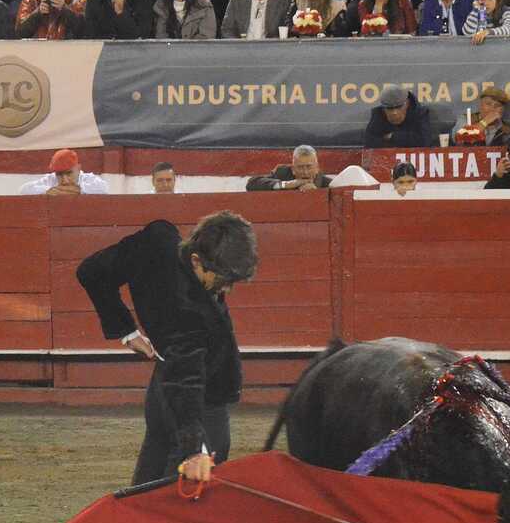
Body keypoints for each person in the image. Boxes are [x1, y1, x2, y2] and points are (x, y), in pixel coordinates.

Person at [77, 211, 258, 484]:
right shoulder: (188, 311)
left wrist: (126, 331)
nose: (228, 288)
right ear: (196, 261)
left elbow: (90, 271)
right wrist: (195, 449)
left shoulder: (158, 239)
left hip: (162, 391)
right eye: (222, 279)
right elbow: (186, 379)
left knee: (148, 484)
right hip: (196, 403)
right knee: (186, 497)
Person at [364, 83, 433, 147]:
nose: (394, 112)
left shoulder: (419, 112)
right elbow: (369, 142)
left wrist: (393, 136)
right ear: (383, 108)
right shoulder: (378, 114)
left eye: (399, 107)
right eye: (389, 108)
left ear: (407, 103)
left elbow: (424, 141)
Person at [20, 148, 109, 194]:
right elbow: (24, 190)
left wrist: (79, 189)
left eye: (69, 173)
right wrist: (48, 190)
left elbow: (104, 188)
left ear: (78, 168)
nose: (65, 180)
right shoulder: (50, 179)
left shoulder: (87, 178)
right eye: (59, 174)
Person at [246, 145, 332, 190]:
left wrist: (316, 193)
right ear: (293, 169)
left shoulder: (327, 183)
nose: (305, 172)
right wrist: (285, 185)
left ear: (317, 168)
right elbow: (251, 184)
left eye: (309, 167)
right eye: (300, 167)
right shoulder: (282, 173)